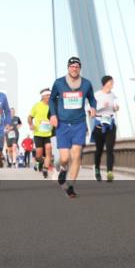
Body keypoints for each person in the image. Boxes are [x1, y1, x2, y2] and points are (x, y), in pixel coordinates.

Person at [48, 57, 97, 199]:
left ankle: (70, 186)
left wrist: (93, 107)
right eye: (72, 66)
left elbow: (92, 98)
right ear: (68, 68)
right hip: (62, 124)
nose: (74, 69)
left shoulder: (86, 84)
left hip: (79, 123)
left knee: (76, 155)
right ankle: (63, 169)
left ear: (80, 68)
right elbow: (52, 99)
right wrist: (53, 115)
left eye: (76, 66)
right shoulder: (59, 83)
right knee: (64, 158)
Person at [92, 75, 119, 182]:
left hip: (111, 125)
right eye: (111, 82)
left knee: (110, 149)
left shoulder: (113, 95)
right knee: (99, 150)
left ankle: (109, 172)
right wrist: (102, 106)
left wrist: (116, 108)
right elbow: (91, 111)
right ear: (105, 83)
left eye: (113, 82)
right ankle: (97, 169)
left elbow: (115, 107)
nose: (112, 84)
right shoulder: (96, 95)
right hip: (99, 125)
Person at [28, 88, 53, 177]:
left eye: (50, 95)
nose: (49, 97)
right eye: (47, 95)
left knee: (49, 150)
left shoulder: (52, 106)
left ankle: (45, 169)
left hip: (48, 133)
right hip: (38, 133)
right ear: (43, 96)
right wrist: (31, 124)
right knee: (39, 155)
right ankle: (39, 163)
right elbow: (30, 117)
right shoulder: (37, 106)